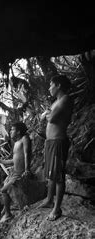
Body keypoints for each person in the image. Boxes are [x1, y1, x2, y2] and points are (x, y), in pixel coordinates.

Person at [38, 74, 74, 221]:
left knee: (58, 176)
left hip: (58, 142)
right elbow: (48, 117)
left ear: (58, 85)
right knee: (51, 173)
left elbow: (51, 118)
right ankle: (48, 200)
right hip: (51, 142)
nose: (49, 88)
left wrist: (46, 113)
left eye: (51, 85)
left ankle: (57, 208)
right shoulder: (56, 102)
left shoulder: (65, 99)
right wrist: (48, 113)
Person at [0, 122, 32, 222]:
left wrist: (27, 170)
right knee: (4, 186)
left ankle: (8, 214)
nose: (10, 131)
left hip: (20, 173)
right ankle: (5, 211)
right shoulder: (16, 143)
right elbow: (15, 160)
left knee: (4, 190)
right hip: (14, 172)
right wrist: (1, 161)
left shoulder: (24, 139)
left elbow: (27, 154)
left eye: (12, 129)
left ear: (18, 131)